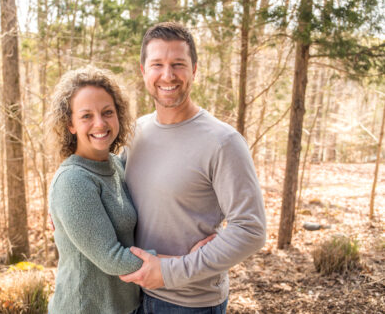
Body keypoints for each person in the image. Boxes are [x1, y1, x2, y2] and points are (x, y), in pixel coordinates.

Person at [119, 22, 267, 313]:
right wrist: (65, 200)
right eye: (157, 64)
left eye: (178, 64)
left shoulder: (223, 142)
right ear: (143, 71)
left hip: (189, 304)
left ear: (194, 70)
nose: (167, 75)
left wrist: (171, 270)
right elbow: (107, 186)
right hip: (132, 296)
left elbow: (251, 229)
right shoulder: (135, 133)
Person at [46, 66, 213, 314]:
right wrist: (189, 263)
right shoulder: (73, 181)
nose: (100, 123)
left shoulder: (117, 164)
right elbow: (113, 259)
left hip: (127, 307)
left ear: (118, 116)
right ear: (70, 124)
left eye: (107, 112)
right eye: (86, 116)